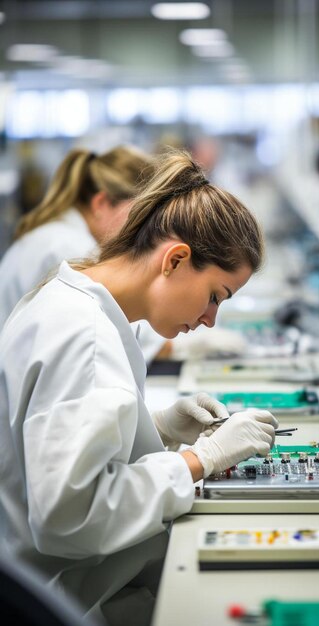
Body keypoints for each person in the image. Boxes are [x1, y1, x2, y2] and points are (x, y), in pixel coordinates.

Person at [0, 150, 278, 626]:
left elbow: (52, 445)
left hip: (85, 576)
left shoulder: (83, 304)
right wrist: (200, 461)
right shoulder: (84, 334)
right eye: (215, 295)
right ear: (175, 258)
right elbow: (72, 516)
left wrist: (158, 428)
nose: (211, 318)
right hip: (69, 595)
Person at [0, 145, 154, 327]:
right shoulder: (71, 249)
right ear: (101, 204)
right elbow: (129, 335)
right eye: (138, 215)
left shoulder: (57, 234)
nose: (144, 228)